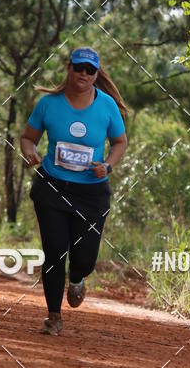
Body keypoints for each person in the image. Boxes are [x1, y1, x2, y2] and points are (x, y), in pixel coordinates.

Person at [20, 47, 128, 335]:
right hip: (53, 188)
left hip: (92, 194)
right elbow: (28, 138)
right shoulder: (48, 104)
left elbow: (119, 142)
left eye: (89, 70)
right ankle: (53, 316)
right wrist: (30, 153)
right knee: (54, 252)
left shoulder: (106, 106)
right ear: (69, 68)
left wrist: (108, 165)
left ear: (96, 75)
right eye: (78, 67)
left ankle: (77, 277)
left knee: (84, 259)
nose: (83, 74)